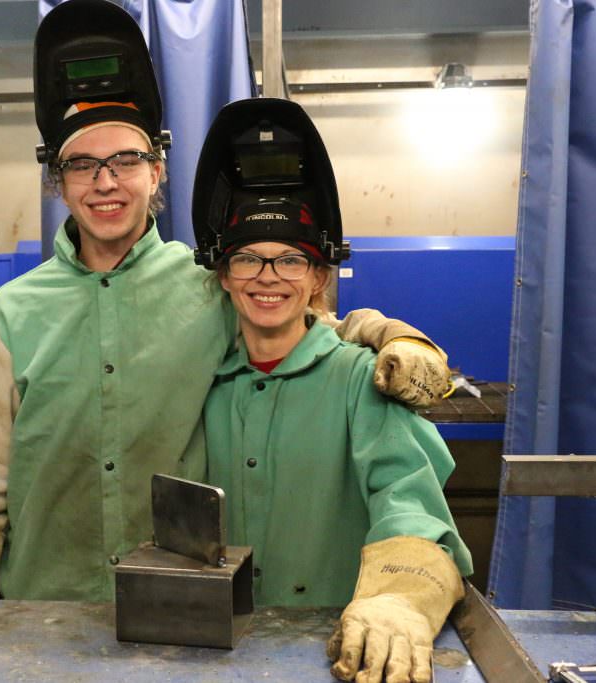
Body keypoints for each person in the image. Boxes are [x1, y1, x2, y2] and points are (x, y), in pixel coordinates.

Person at [0, 0, 451, 602]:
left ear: (157, 171)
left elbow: (310, 328)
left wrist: (389, 333)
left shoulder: (208, 288)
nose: (105, 182)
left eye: (126, 159)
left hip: (176, 610)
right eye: (82, 164)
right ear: (57, 179)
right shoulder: (10, 316)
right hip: (40, 614)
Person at [194, 97, 472, 683]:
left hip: (333, 654)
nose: (268, 279)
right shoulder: (197, 384)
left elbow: (411, 506)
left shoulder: (360, 382)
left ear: (320, 276)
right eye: (248, 259)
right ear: (223, 274)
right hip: (211, 655)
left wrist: (397, 599)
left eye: (291, 261)